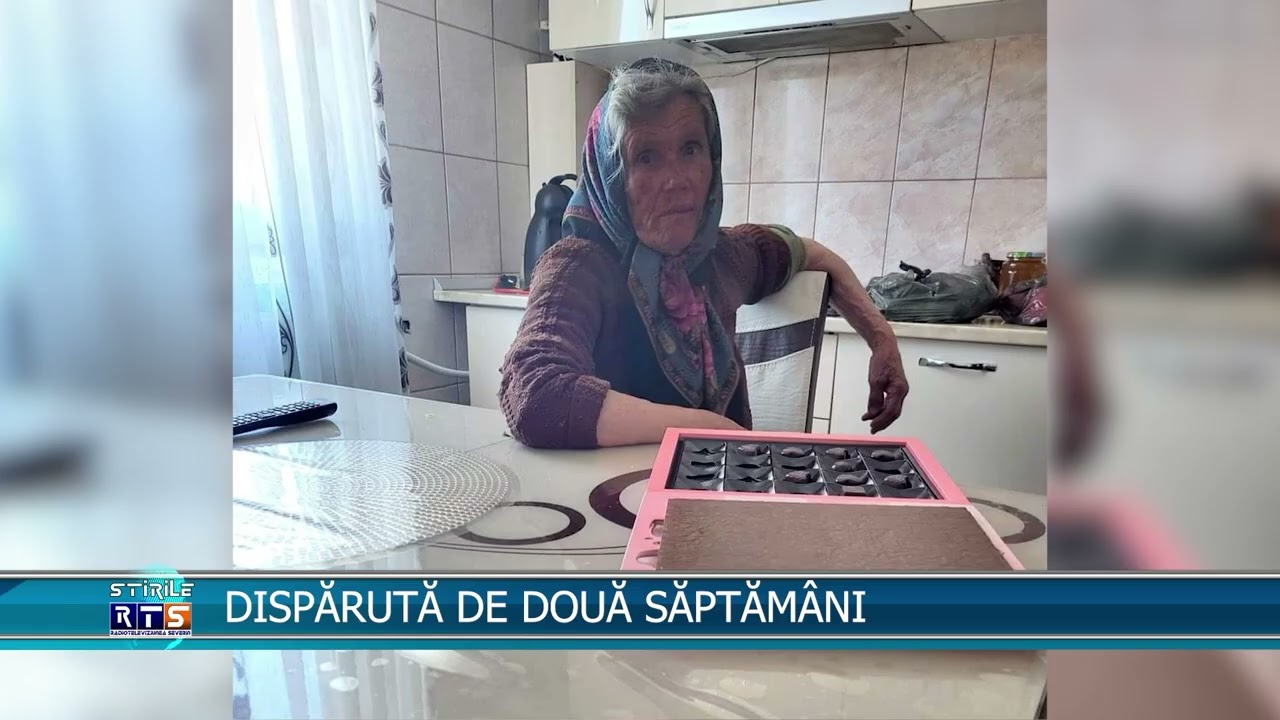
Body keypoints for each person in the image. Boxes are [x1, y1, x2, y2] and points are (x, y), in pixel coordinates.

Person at [500, 58, 908, 449]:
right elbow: (535, 395)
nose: (677, 180)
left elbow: (812, 253)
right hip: (613, 493)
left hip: (712, 481)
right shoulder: (579, 265)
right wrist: (712, 429)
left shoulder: (720, 256)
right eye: (646, 156)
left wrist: (881, 339)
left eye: (690, 149)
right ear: (612, 177)